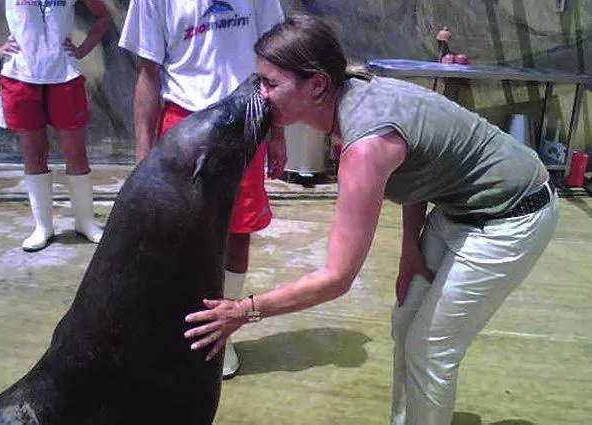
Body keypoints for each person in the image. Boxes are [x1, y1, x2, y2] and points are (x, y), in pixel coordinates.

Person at [184, 14, 559, 424]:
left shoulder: (366, 143)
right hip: (461, 206)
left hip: (513, 213)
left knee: (430, 347)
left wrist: (244, 311)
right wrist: (410, 248)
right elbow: (419, 164)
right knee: (406, 322)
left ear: (317, 85)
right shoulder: (354, 92)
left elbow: (337, 278)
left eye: (270, 83)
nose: (261, 93)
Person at [118, 0, 287, 379]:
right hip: (183, 122)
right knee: (173, 237)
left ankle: (222, 335)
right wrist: (143, 156)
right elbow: (148, 72)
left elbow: (276, 59)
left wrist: (277, 132)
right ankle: (175, 332)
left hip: (247, 117)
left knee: (237, 233)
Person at [0, 0, 111, 252]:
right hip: (20, 77)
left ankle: (85, 222)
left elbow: (104, 15)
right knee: (34, 153)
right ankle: (43, 227)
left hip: (65, 75)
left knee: (76, 153)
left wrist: (83, 49)